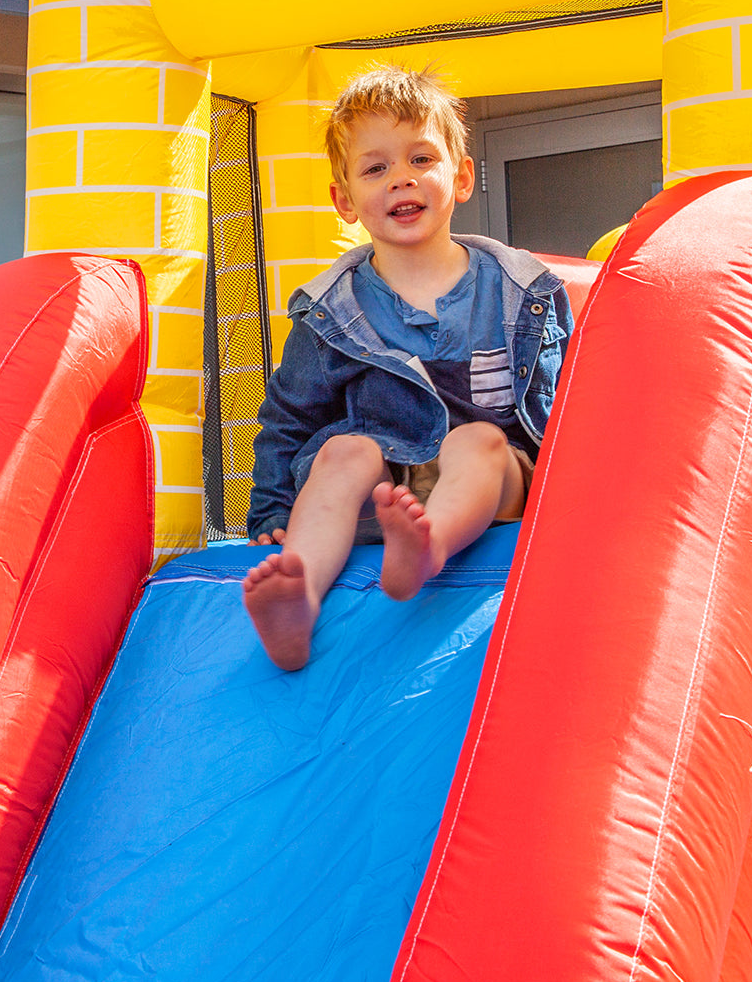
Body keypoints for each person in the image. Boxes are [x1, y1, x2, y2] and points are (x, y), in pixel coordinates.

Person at [242, 66, 573, 670]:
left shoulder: (520, 290)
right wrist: (270, 510)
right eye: (376, 169)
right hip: (383, 490)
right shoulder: (329, 312)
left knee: (479, 439)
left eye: (421, 159)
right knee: (344, 452)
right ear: (344, 202)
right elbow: (287, 417)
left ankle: (430, 544)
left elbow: (570, 398)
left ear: (462, 176)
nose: (402, 180)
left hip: (489, 486)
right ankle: (300, 592)